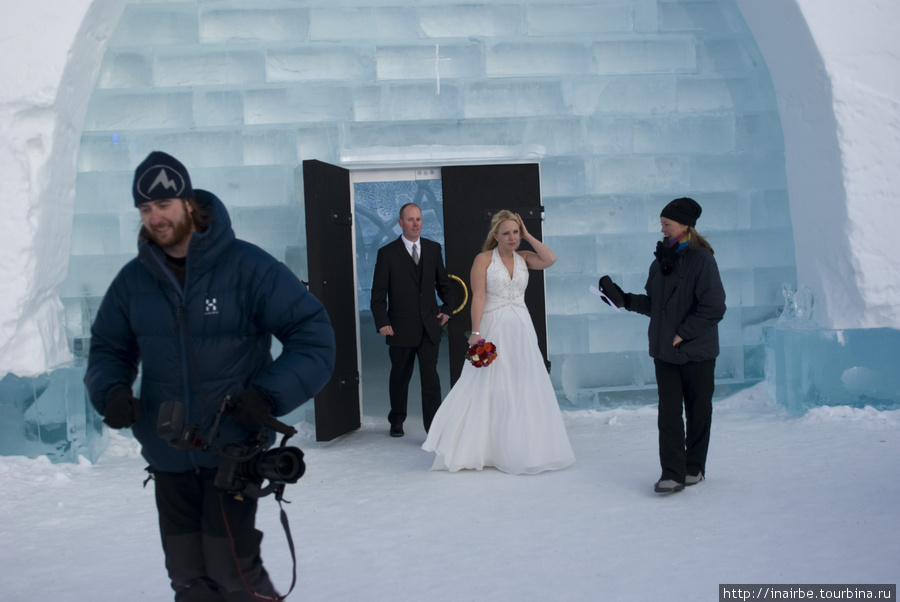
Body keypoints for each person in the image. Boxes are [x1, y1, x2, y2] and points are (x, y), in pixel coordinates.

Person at [84, 151, 336, 600]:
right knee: (187, 576)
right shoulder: (134, 280)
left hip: (231, 450)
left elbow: (314, 337)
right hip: (168, 453)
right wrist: (112, 391)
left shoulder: (247, 267)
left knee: (232, 570)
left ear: (188, 203)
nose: (155, 217)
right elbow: (108, 348)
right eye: (145, 209)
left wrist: (268, 395)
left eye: (164, 205)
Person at [422, 210, 575, 474]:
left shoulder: (525, 257)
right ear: (495, 235)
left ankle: (524, 446)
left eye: (515, 232)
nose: (512, 237)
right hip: (494, 327)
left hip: (522, 328)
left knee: (523, 383)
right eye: (507, 233)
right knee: (487, 385)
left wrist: (528, 234)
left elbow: (550, 259)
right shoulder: (483, 259)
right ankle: (481, 447)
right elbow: (478, 297)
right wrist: (477, 332)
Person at [600, 197, 725, 494]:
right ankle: (672, 473)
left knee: (698, 412)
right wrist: (625, 299)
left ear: (685, 225)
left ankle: (693, 467)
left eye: (666, 224)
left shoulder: (702, 259)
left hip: (696, 353)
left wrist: (684, 333)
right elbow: (655, 305)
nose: (662, 229)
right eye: (661, 224)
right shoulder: (660, 261)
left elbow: (713, 306)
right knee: (668, 414)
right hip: (665, 353)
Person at [370, 203, 455, 437]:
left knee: (431, 381)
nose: (415, 223)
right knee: (400, 378)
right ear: (400, 223)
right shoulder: (387, 253)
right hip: (399, 328)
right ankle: (396, 421)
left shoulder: (433, 248)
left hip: (429, 327)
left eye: (418, 219)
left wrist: (447, 310)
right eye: (410, 219)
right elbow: (378, 293)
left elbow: (444, 285)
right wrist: (382, 321)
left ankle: (434, 428)